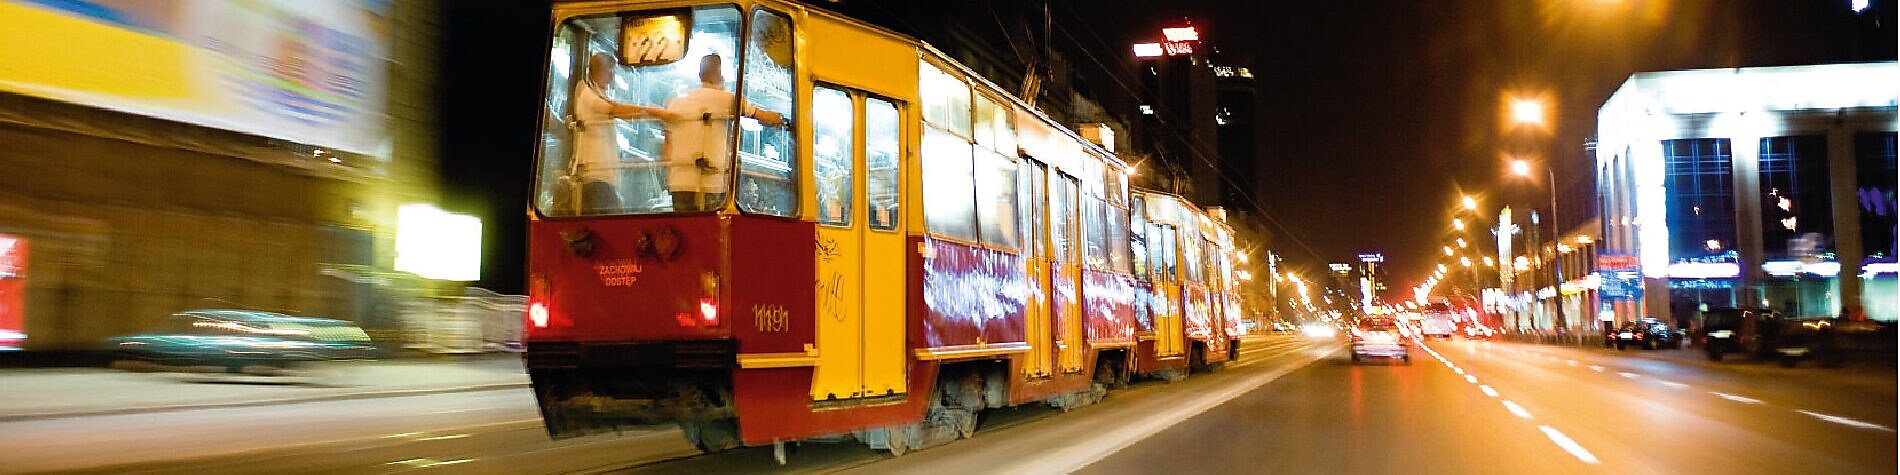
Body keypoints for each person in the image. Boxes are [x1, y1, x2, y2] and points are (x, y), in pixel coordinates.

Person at [660, 53, 786, 211]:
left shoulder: (676, 103)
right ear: (720, 73)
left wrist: (668, 175)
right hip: (711, 183)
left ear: (699, 75)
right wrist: (783, 120)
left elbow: (667, 145)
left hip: (679, 182)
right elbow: (764, 116)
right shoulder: (727, 99)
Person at [571, 52, 668, 214]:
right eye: (610, 70)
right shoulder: (586, 92)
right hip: (594, 176)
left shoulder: (599, 94)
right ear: (601, 70)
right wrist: (652, 112)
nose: (613, 75)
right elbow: (612, 110)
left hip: (603, 177)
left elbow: (613, 106)